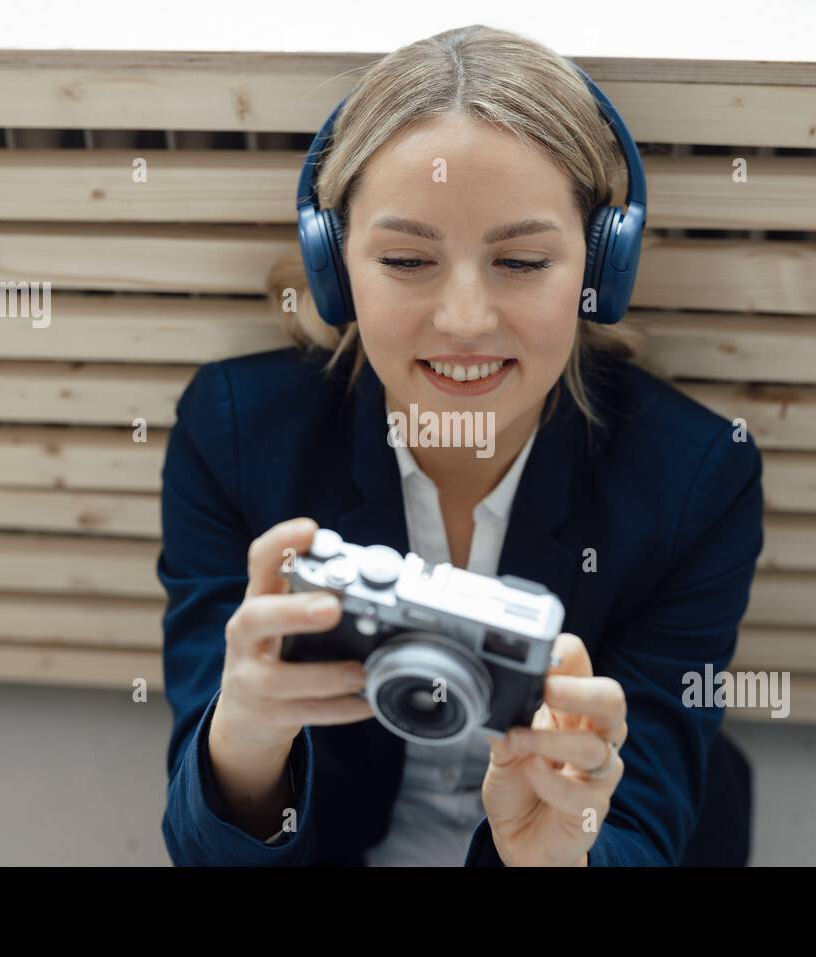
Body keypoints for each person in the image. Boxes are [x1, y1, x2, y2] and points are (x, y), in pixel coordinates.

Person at [158, 23, 763, 866]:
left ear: (598, 270)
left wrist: (554, 853)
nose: (466, 321)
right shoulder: (232, 438)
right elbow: (208, 850)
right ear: (335, 268)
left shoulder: (698, 479)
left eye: (520, 262)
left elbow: (649, 817)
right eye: (407, 259)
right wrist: (245, 746)